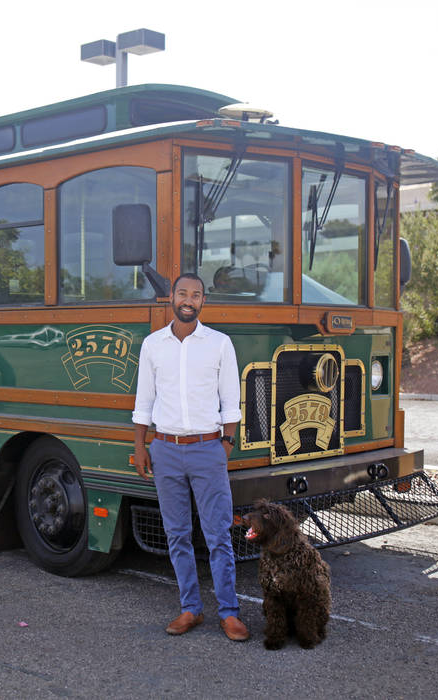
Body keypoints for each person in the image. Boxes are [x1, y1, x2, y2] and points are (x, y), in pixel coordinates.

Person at [132, 272, 249, 642]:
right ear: (171, 296)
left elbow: (232, 403)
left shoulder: (219, 344)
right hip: (165, 450)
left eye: (195, 295)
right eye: (182, 293)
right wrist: (141, 447)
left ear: (203, 301)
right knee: (177, 534)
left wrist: (223, 447)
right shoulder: (153, 345)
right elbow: (144, 402)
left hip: (207, 450)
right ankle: (190, 609)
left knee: (218, 536)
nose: (188, 299)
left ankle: (229, 614)